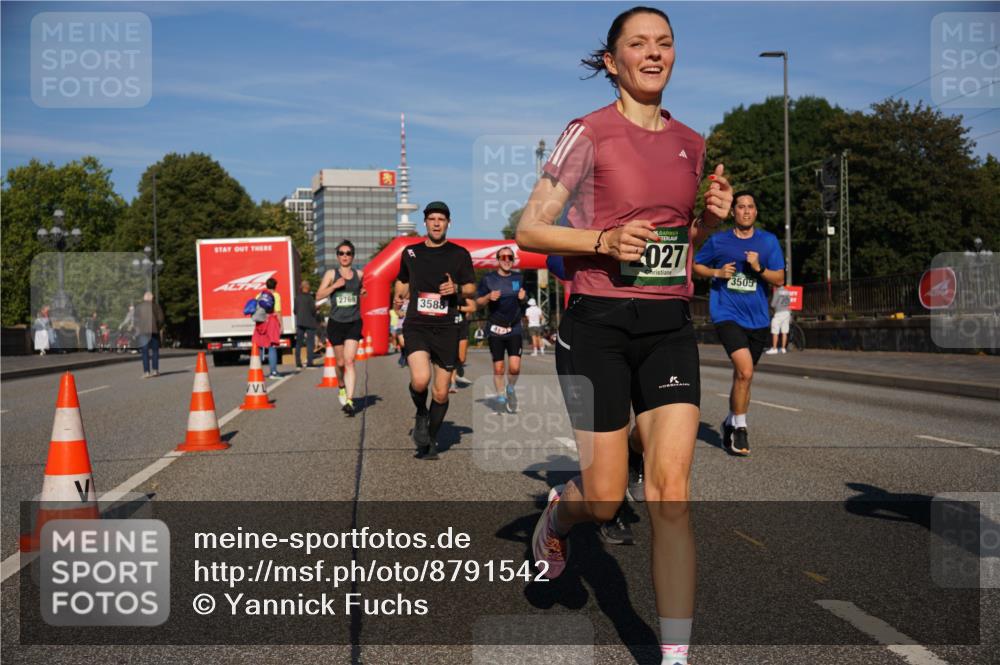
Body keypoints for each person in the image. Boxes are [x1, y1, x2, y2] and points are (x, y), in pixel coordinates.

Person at [515, 8, 732, 665]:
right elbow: (530, 229)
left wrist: (707, 224)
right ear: (612, 62)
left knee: (671, 493)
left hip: (668, 327)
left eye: (664, 42)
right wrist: (603, 241)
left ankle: (675, 656)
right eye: (638, 44)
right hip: (597, 326)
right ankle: (559, 516)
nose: (654, 52)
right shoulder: (588, 133)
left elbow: (679, 243)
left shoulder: (691, 143)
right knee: (606, 495)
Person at [693, 191, 784, 456]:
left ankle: (730, 421)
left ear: (756, 212)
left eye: (750, 207)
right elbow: (696, 265)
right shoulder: (719, 241)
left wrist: (758, 268)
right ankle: (741, 427)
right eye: (741, 207)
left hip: (758, 319)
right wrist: (717, 272)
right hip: (726, 314)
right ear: (733, 212)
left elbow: (779, 278)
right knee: (744, 371)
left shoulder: (768, 242)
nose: (746, 211)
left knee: (744, 376)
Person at [394, 201, 475, 460]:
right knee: (420, 380)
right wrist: (398, 295)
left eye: (441, 219)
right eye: (432, 219)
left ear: (448, 223)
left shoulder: (459, 254)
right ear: (425, 223)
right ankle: (421, 412)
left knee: (440, 392)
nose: (437, 223)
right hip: (417, 324)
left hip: (447, 327)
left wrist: (457, 289)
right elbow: (403, 279)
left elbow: (471, 287)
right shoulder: (410, 253)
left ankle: (430, 438)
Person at [316, 240, 366, 416]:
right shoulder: (331, 274)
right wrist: (334, 286)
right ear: (337, 256)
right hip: (336, 323)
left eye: (348, 253)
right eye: (341, 253)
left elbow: (360, 288)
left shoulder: (359, 274)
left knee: (350, 361)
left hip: (354, 322)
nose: (345, 256)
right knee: (340, 363)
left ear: (353, 256)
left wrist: (362, 291)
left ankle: (350, 400)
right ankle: (341, 385)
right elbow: (318, 295)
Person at [475, 247, 528, 413]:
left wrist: (523, 298)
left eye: (510, 257)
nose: (507, 260)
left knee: (514, 368)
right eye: (503, 257)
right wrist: (488, 297)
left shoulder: (518, 278)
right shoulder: (488, 279)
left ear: (513, 260)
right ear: (497, 260)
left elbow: (524, 299)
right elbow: (478, 303)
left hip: (514, 327)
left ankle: (510, 388)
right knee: (498, 368)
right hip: (495, 328)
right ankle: (500, 395)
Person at [252, 277, 282, 378]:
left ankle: (258, 372)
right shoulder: (276, 295)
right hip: (271, 321)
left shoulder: (259, 295)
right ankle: (273, 372)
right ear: (275, 286)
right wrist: (281, 325)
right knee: (272, 346)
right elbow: (277, 311)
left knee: (260, 345)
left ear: (266, 285)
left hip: (260, 322)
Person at [135, 291, 165, 377]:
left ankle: (146, 372)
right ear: (152, 298)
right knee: (155, 351)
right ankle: (155, 370)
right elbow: (161, 319)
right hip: (154, 331)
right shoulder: (156, 306)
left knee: (145, 351)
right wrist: (158, 327)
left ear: (144, 298)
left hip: (143, 331)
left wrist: (138, 328)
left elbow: (135, 319)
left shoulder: (139, 307)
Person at [450, 298, 476, 393]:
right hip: (448, 327)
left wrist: (458, 308)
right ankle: (452, 383)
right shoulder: (442, 292)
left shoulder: (462, 293)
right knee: (451, 356)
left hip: (461, 327)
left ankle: (458, 367)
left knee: (461, 358)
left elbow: (473, 308)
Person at [294, 280, 319, 368]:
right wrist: (316, 308)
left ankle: (298, 362)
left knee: (299, 343)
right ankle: (309, 362)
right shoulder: (310, 298)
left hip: (300, 322)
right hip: (310, 322)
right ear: (308, 288)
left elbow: (295, 311)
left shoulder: (297, 298)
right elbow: (313, 311)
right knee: (310, 343)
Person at [767, 284, 793, 354]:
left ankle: (774, 348)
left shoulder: (777, 292)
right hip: (787, 312)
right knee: (784, 331)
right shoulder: (787, 291)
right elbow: (789, 302)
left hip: (779, 312)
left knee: (775, 330)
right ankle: (783, 348)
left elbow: (773, 304)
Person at [395, 297, 409, 367]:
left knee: (409, 344)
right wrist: (399, 312)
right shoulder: (400, 300)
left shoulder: (415, 300)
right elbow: (396, 310)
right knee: (403, 343)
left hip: (411, 326)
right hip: (401, 325)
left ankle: (408, 358)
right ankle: (403, 354)